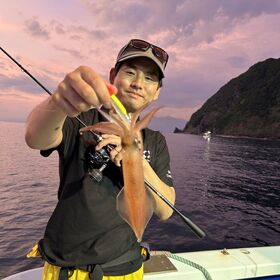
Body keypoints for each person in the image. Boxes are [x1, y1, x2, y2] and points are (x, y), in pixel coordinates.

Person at [25, 39, 176, 280]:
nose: (138, 83)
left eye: (149, 78)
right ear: (113, 75)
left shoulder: (156, 142)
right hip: (67, 268)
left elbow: (166, 210)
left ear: (157, 92)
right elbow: (36, 138)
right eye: (130, 72)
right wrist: (58, 103)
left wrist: (136, 162)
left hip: (126, 268)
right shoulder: (80, 118)